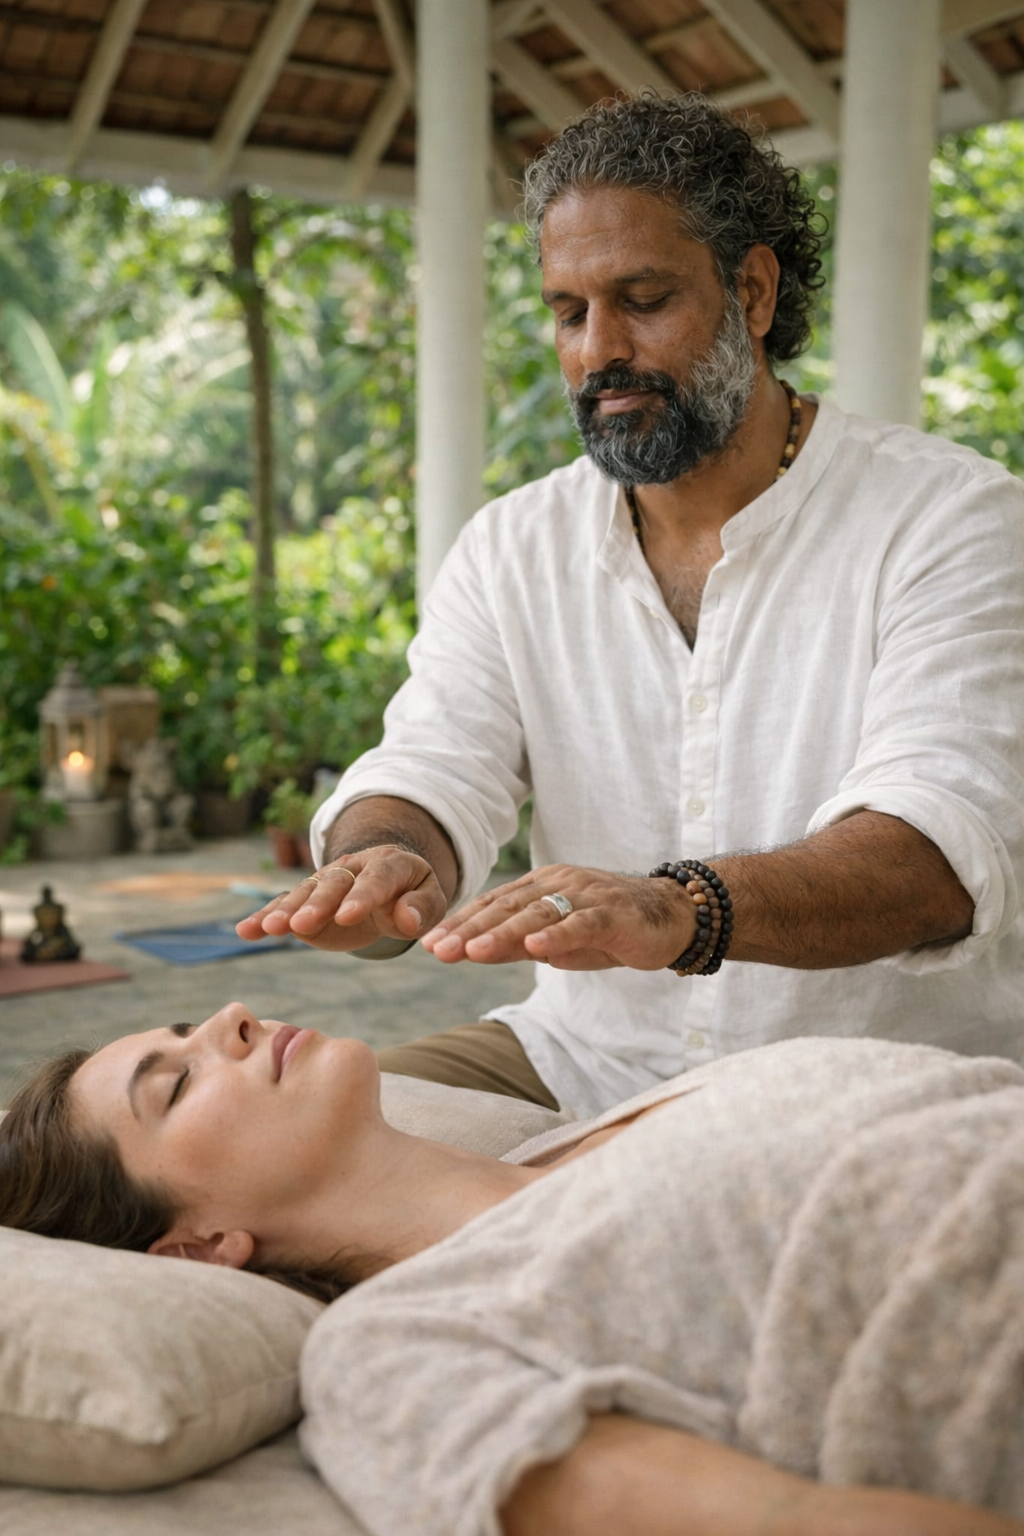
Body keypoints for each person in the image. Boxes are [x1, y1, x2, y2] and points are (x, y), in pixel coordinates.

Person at [238, 92, 1024, 1119]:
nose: (598, 350)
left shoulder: (950, 519)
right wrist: (385, 860)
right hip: (578, 1061)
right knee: (264, 1147)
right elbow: (432, 765)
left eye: (641, 299)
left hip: (872, 1089)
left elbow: (937, 849)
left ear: (749, 289)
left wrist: (679, 908)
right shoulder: (514, 546)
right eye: (569, 312)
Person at [2, 1004, 1024, 1534]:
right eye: (175, 1085)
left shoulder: (626, 1111)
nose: (228, 1020)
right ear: (194, 1247)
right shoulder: (396, 1353)